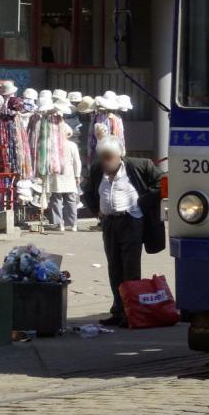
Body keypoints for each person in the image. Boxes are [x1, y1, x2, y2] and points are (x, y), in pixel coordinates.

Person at [81, 136, 163, 327]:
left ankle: (132, 312)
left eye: (109, 157)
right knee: (114, 266)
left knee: (130, 267)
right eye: (103, 157)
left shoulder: (139, 165)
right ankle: (118, 310)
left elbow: (162, 182)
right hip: (110, 223)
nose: (106, 162)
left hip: (132, 221)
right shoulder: (96, 170)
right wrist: (97, 211)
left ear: (120, 156)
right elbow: (87, 192)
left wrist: (144, 201)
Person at [46, 123, 83, 232]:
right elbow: (77, 162)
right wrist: (77, 175)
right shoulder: (72, 145)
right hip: (69, 175)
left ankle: (59, 224)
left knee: (56, 199)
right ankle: (73, 224)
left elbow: (49, 161)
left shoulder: (54, 145)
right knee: (71, 199)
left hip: (57, 176)